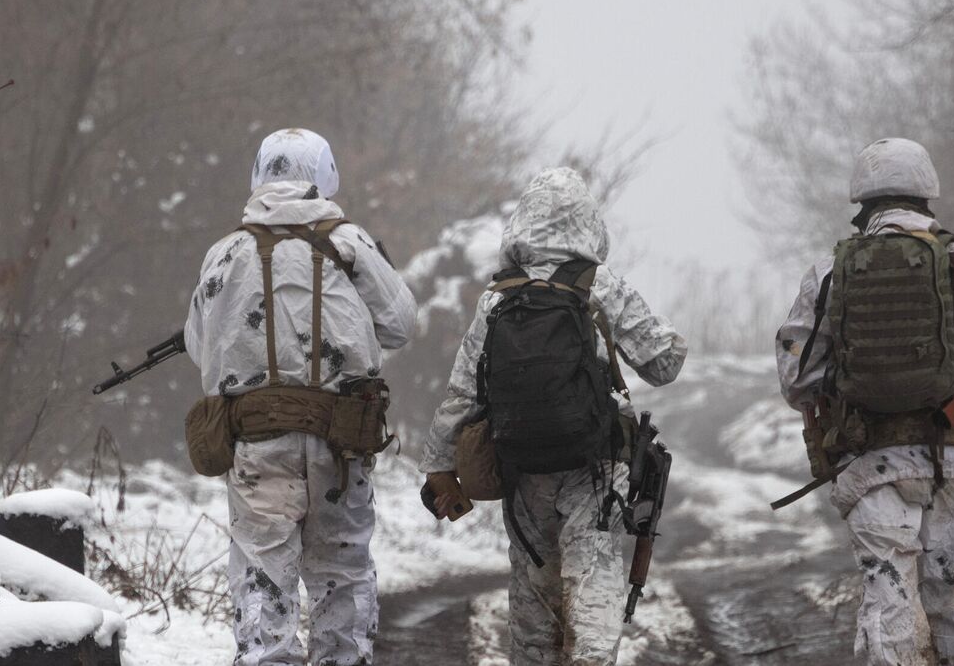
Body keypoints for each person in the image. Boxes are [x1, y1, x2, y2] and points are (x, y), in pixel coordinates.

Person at [421, 167, 688, 665]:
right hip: (595, 468)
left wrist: (438, 464)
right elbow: (665, 362)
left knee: (534, 589)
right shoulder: (600, 286)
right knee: (592, 581)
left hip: (521, 466)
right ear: (589, 223)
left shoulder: (497, 298)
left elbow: (462, 393)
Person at [774, 138, 954, 666]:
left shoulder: (830, 273)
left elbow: (797, 377)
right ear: (927, 197)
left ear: (861, 204)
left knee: (888, 600)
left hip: (870, 465)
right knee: (951, 597)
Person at [184, 128, 417, 666]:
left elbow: (201, 347)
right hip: (341, 442)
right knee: (343, 575)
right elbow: (401, 325)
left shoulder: (223, 255)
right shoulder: (351, 244)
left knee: (263, 578)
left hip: (256, 443)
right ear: (325, 175)